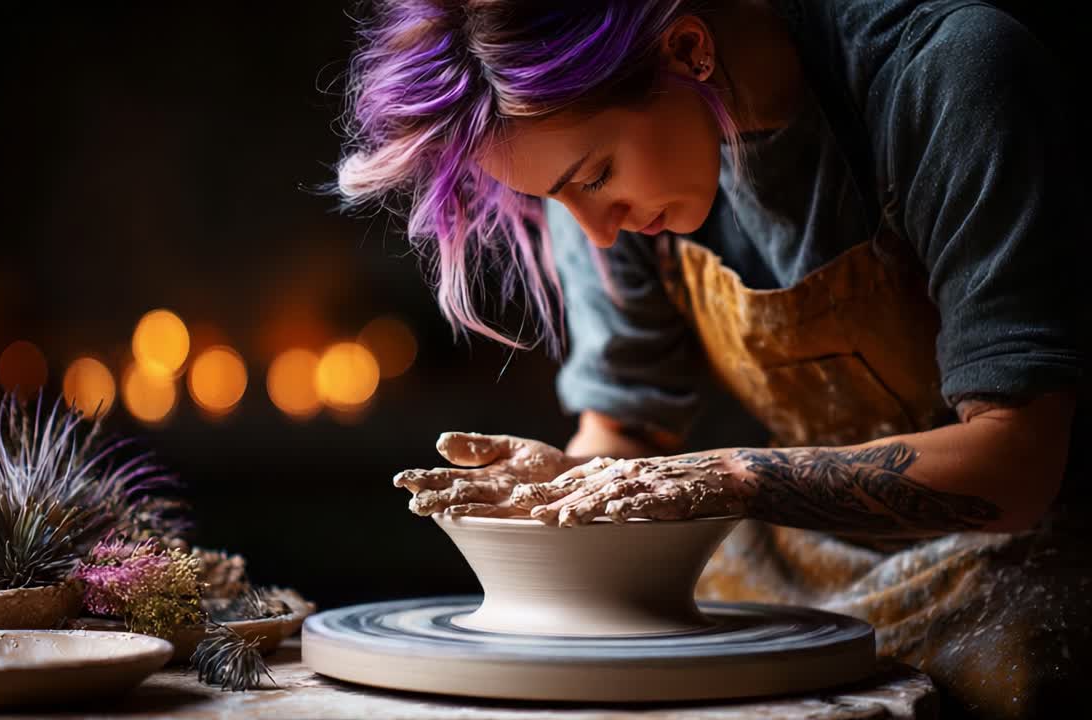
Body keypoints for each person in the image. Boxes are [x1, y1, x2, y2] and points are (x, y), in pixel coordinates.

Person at [331, 1, 1089, 717]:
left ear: (689, 49)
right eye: (560, 199)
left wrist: (726, 480)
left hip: (1032, 546)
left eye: (594, 177)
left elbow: (1019, 462)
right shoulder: (609, 189)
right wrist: (565, 491)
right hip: (805, 557)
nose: (595, 231)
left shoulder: (946, 76)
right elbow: (627, 431)